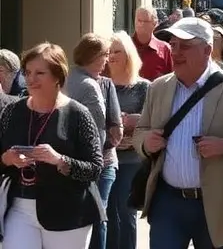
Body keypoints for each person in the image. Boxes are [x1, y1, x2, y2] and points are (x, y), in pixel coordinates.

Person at [133, 17, 223, 249]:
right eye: (173, 45)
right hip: (168, 204)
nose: (176, 52)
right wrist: (145, 143)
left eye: (185, 45)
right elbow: (141, 131)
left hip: (219, 206)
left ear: (207, 50)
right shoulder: (159, 87)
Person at [0, 42, 104, 248]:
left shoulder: (78, 114)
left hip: (68, 211)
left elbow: (95, 168)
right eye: (28, 72)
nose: (31, 79)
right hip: (19, 206)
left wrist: (59, 160)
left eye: (40, 73)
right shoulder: (12, 111)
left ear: (58, 76)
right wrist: (7, 159)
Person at [65, 33, 122, 249]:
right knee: (98, 216)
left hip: (72, 162)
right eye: (104, 55)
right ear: (92, 56)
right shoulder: (89, 85)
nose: (107, 60)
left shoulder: (68, 78)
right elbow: (98, 133)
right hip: (97, 164)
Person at [107, 31, 151, 249]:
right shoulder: (102, 85)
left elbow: (156, 121)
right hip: (107, 158)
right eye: (109, 52)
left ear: (129, 55)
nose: (112, 56)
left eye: (117, 51)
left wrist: (136, 120)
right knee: (107, 213)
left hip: (132, 159)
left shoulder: (144, 87)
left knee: (126, 212)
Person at [133, 6, 173, 81]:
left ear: (154, 23)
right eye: (139, 20)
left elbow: (172, 80)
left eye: (145, 21)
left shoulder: (165, 49)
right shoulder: (125, 47)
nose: (141, 24)